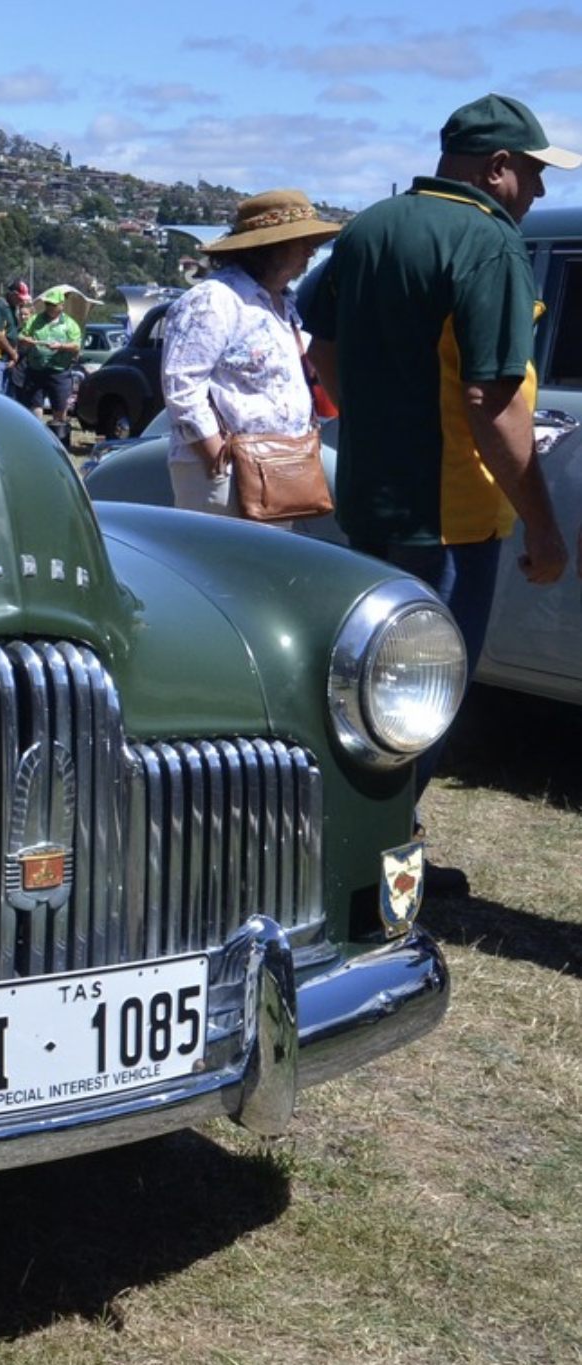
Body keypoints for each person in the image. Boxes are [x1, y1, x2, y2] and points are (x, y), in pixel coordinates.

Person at [304, 92, 577, 894]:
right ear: (496, 168)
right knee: (419, 703)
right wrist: (546, 529)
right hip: (452, 513)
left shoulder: (368, 228)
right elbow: (493, 404)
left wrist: (380, 425)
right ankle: (371, 868)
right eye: (532, 174)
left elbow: (322, 351)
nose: (538, 192)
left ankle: (374, 846)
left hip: (374, 500)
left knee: (363, 691)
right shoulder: (490, 243)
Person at [161, 189, 341, 524]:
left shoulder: (283, 304)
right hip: (224, 473)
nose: (310, 251)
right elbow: (182, 386)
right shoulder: (214, 299)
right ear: (268, 247)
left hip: (278, 470)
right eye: (300, 241)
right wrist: (218, 459)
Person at [14, 286, 83, 442]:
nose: (50, 307)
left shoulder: (70, 324)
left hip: (59, 372)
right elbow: (22, 337)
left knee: (60, 410)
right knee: (34, 408)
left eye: (53, 304)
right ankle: (35, 440)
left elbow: (76, 346)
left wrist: (61, 346)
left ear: (61, 306)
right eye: (47, 304)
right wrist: (27, 341)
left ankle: (59, 441)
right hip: (36, 370)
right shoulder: (35, 320)